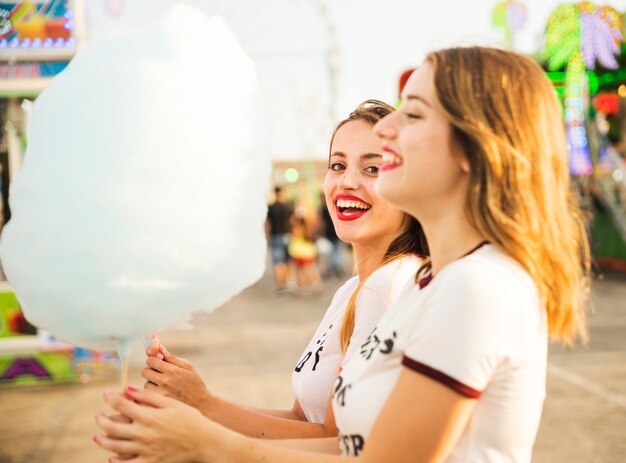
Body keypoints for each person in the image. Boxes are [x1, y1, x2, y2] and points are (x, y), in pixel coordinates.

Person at [94, 47, 589, 463]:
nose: (389, 130)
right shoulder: (434, 284)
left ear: (473, 147)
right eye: (338, 164)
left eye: (412, 113)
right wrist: (190, 416)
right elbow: (350, 442)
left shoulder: (475, 287)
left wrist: (205, 442)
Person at [99, 100, 427, 446]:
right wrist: (195, 401)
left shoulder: (390, 285)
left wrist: (202, 412)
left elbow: (337, 442)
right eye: (337, 164)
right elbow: (302, 420)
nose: (347, 181)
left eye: (372, 169)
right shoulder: (351, 291)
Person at [266, 186, 294, 294]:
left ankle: (281, 287)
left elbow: (267, 224)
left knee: (278, 263)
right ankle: (288, 282)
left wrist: (267, 237)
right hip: (287, 235)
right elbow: (293, 221)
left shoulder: (271, 207)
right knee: (287, 261)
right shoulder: (288, 206)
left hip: (276, 236)